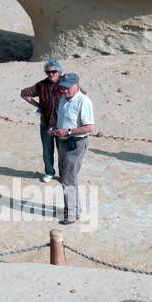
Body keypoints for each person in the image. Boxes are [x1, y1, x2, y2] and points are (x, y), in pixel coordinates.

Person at [50, 72, 94, 225]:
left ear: (78, 86)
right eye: (63, 87)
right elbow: (61, 117)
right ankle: (74, 209)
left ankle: (72, 214)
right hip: (62, 141)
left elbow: (89, 127)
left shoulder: (83, 101)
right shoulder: (63, 97)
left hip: (76, 143)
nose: (65, 91)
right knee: (66, 177)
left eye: (69, 88)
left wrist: (68, 131)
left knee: (68, 178)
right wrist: (55, 128)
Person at [20, 60, 65, 183]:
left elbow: (81, 94)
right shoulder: (41, 85)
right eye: (48, 72)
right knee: (47, 149)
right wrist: (38, 105)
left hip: (62, 124)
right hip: (46, 123)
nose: (51, 74)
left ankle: (63, 174)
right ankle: (49, 172)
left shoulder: (66, 83)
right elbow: (24, 93)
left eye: (54, 71)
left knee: (62, 150)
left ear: (59, 71)